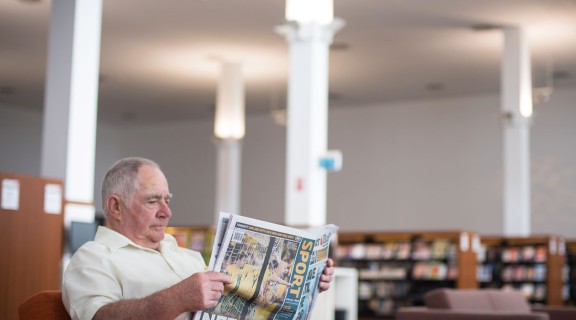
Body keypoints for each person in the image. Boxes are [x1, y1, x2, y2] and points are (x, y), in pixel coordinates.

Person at [62, 157, 335, 320]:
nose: (166, 212)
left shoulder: (184, 255)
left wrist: (301, 286)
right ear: (115, 207)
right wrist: (176, 298)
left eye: (167, 200)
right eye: (152, 201)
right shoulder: (93, 258)